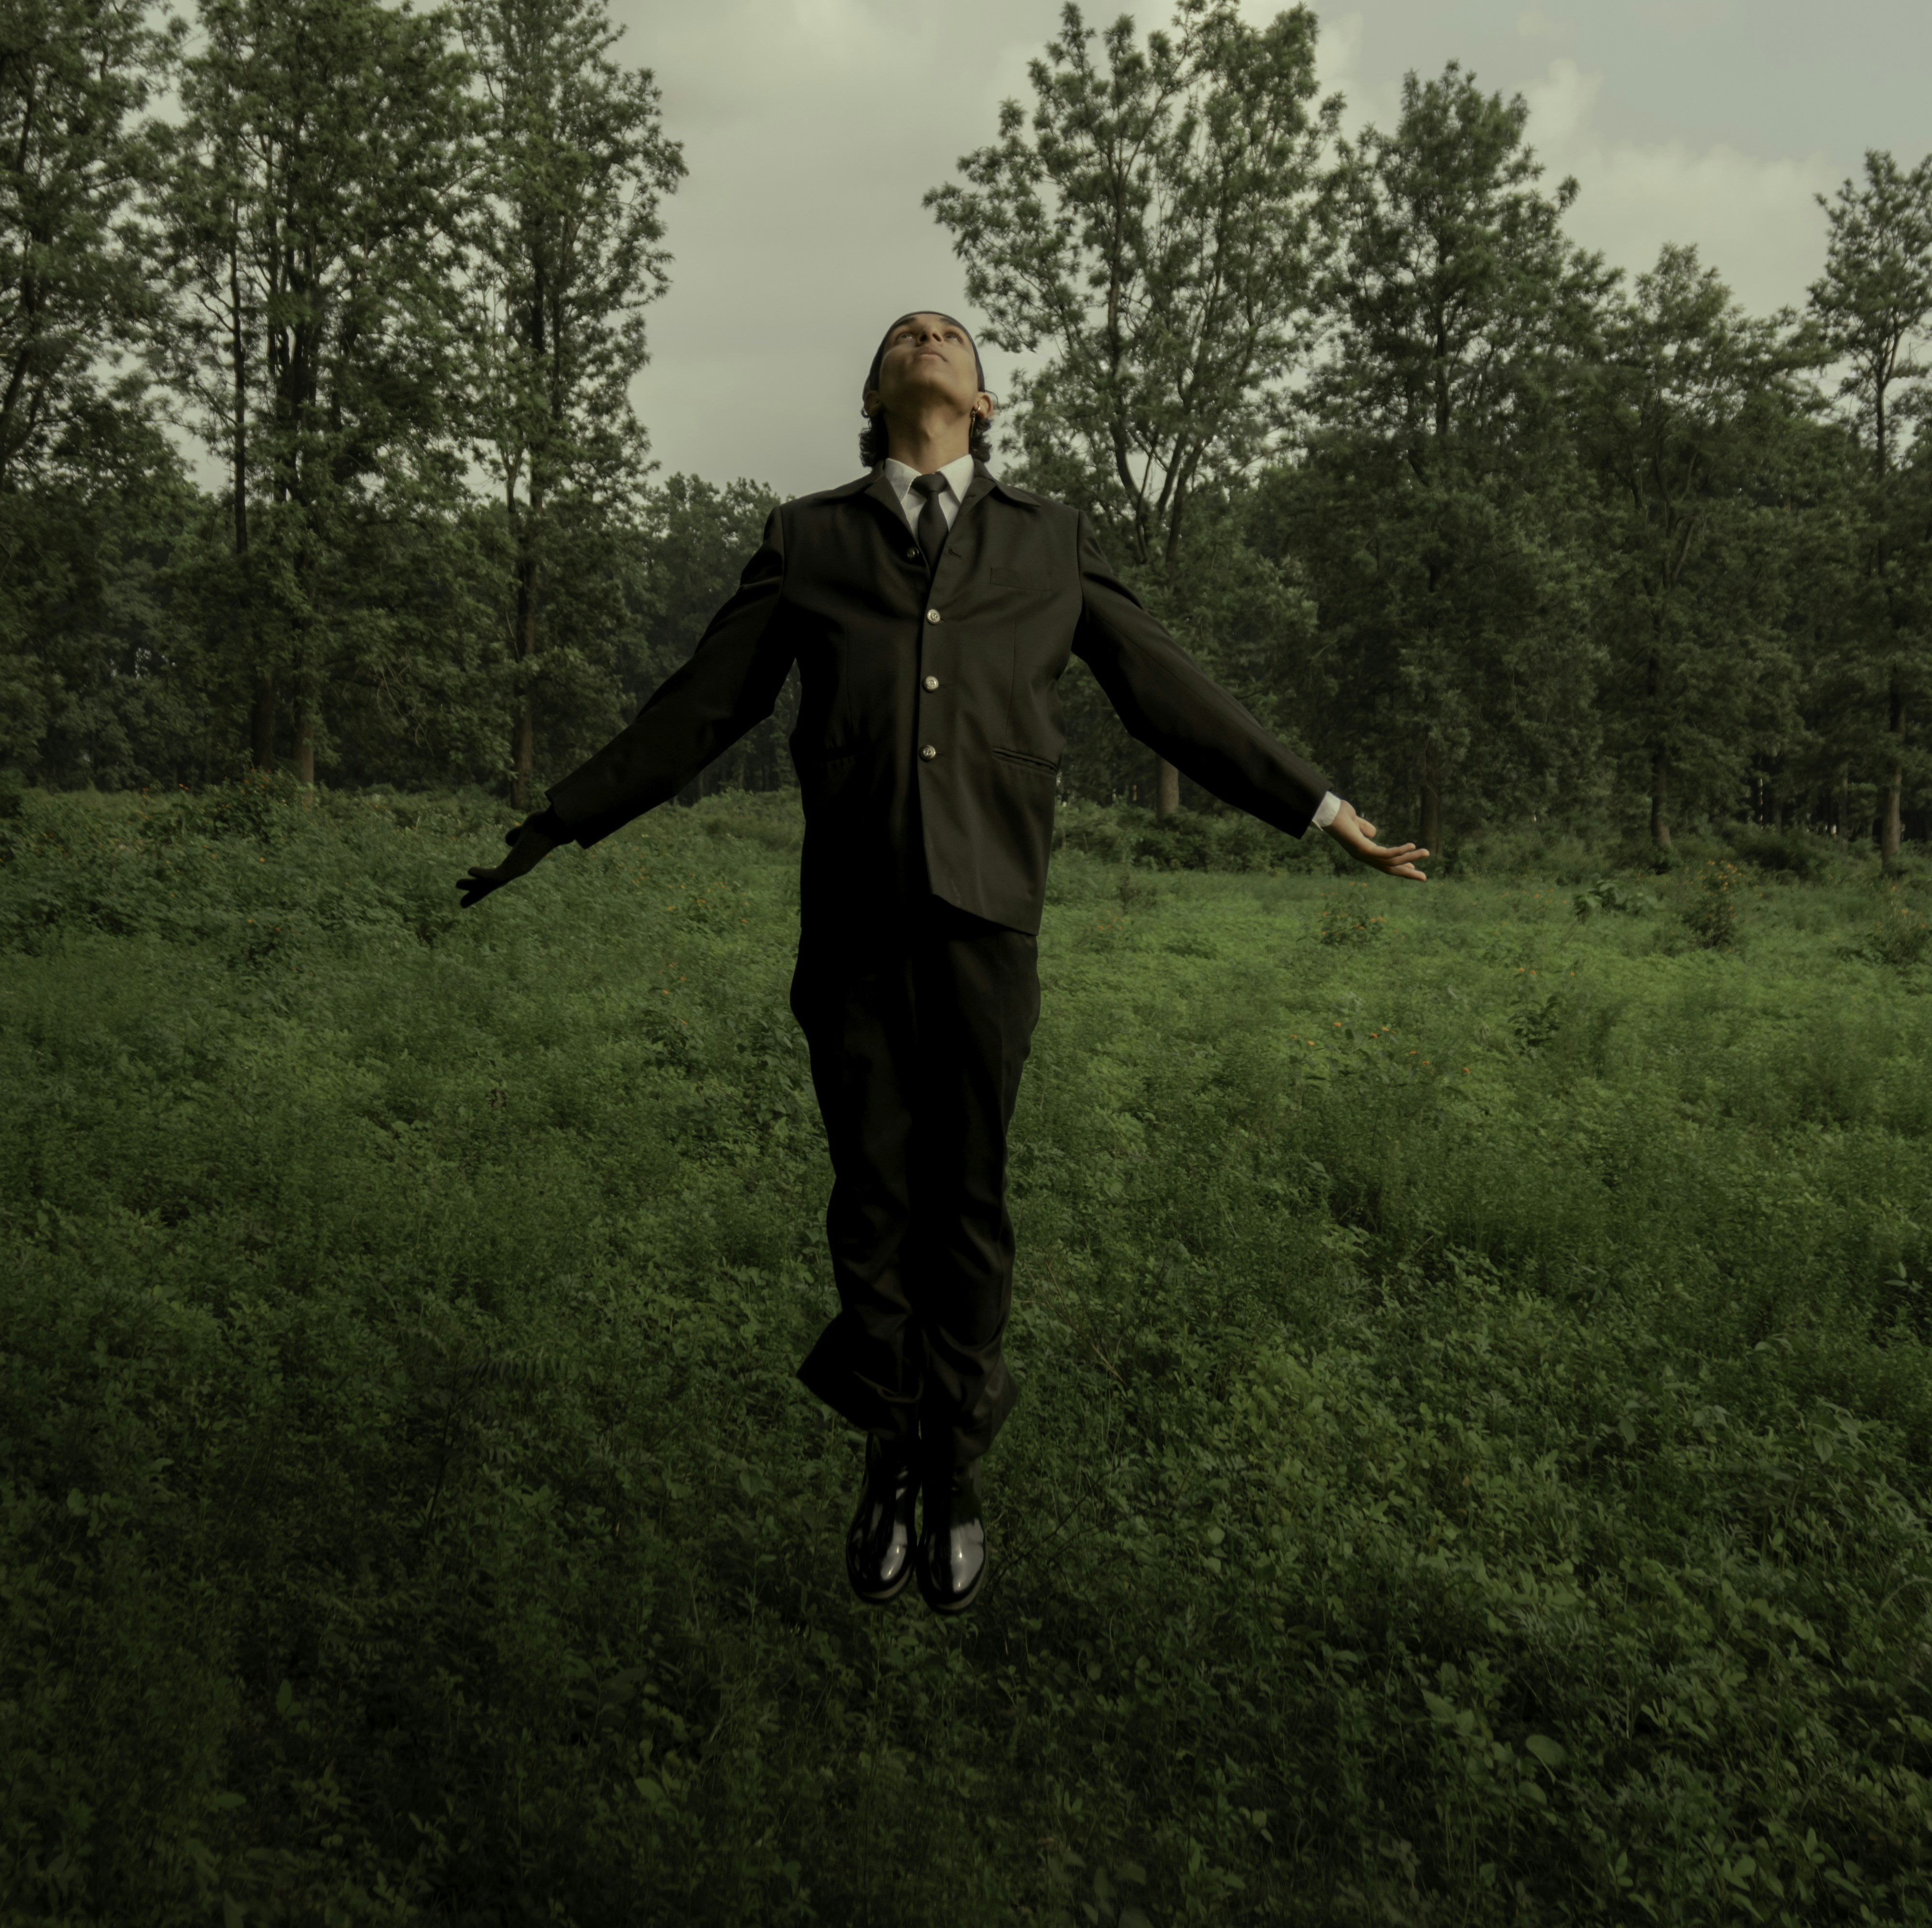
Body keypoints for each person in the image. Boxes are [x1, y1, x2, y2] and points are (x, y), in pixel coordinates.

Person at [457, 310, 1427, 1616]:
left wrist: (1317, 806)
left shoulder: (1050, 541)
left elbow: (1171, 690)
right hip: (853, 916)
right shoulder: (809, 539)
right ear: (878, 392)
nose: (926, 337)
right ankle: (892, 1450)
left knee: (965, 1200)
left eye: (949, 336)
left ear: (980, 399)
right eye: (904, 335)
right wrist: (558, 819)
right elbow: (700, 706)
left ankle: (948, 1468)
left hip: (987, 918)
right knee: (873, 1202)